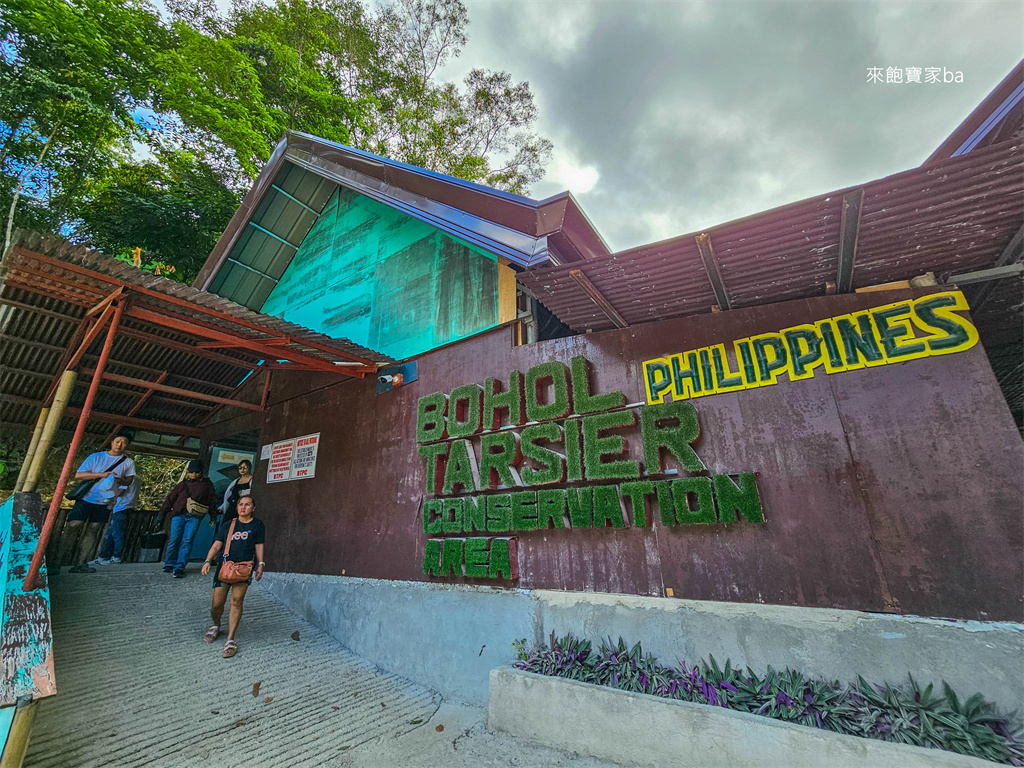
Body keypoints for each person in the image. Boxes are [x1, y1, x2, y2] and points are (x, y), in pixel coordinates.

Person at [63, 430, 136, 574]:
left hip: (105, 501)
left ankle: (81, 563)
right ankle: (57, 561)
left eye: (124, 443)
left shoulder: (128, 462)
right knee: (73, 525)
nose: (120, 445)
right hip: (86, 498)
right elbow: (79, 475)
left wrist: (120, 480)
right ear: (112, 442)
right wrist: (101, 475)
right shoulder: (96, 457)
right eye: (117, 441)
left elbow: (129, 480)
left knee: (94, 529)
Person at [201, 496, 265, 658]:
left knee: (236, 601)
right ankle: (216, 624)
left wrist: (261, 563)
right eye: (241, 504)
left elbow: (259, 545)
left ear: (253, 507)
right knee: (217, 604)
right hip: (225, 567)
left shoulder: (257, 525)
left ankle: (230, 638)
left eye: (248, 504)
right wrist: (208, 560)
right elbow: (217, 545)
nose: (243, 507)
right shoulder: (229, 525)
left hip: (244, 568)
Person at [158, 459, 216, 578]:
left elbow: (212, 501)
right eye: (191, 472)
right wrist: (161, 514)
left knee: (187, 541)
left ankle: (180, 566)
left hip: (195, 516)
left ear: (201, 472)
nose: (193, 475)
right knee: (174, 539)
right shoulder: (182, 484)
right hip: (178, 514)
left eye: (196, 472)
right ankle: (169, 563)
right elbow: (170, 499)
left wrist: (213, 516)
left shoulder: (207, 484)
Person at [91, 475, 138, 565]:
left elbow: (120, 491)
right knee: (111, 533)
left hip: (121, 507)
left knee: (117, 533)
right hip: (127, 507)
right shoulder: (136, 480)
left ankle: (116, 556)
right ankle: (103, 556)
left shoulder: (126, 480)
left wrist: (109, 494)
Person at [217, 459, 253, 527]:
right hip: (232, 508)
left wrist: (244, 492)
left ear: (249, 468)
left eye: (245, 467)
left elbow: (254, 493)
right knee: (226, 527)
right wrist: (222, 507)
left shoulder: (252, 480)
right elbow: (228, 495)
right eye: (240, 468)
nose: (242, 470)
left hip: (243, 509)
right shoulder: (236, 481)